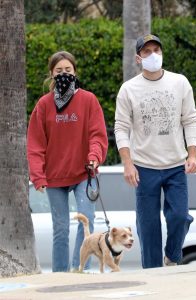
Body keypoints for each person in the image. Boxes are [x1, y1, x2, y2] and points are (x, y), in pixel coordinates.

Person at [114, 34, 196, 268]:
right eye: (147, 51)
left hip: (175, 166)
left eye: (157, 50)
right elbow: (121, 127)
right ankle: (152, 276)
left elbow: (190, 119)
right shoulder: (128, 89)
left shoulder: (179, 82)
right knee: (148, 227)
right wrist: (128, 163)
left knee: (180, 217)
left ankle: (172, 256)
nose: (153, 55)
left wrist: (193, 154)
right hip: (144, 167)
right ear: (138, 58)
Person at [27, 51, 108, 272]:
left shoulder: (88, 100)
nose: (64, 74)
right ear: (52, 75)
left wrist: (94, 157)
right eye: (59, 71)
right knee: (60, 229)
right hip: (54, 177)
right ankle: (60, 276)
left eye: (68, 70)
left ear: (75, 72)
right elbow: (35, 143)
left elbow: (97, 135)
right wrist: (38, 176)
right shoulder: (43, 105)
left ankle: (79, 269)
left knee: (87, 221)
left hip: (84, 173)